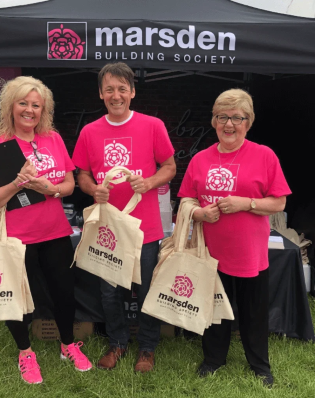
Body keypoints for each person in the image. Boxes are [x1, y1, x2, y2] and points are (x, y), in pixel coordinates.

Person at [0, 76, 92, 384]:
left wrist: (50, 188)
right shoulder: (0, 148)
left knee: (64, 293)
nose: (29, 110)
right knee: (18, 300)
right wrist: (18, 183)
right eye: (23, 103)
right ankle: (25, 352)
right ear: (11, 107)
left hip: (55, 232)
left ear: (44, 110)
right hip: (17, 238)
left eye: (36, 105)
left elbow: (69, 185)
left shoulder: (52, 139)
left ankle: (68, 345)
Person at [178, 88, 291, 387]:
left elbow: (279, 202)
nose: (229, 124)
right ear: (214, 121)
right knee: (215, 310)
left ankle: (260, 365)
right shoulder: (200, 159)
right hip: (211, 252)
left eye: (237, 118)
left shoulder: (264, 155)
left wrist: (247, 203)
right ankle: (213, 359)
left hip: (250, 253)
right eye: (222, 117)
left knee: (254, 314)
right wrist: (201, 214)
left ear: (248, 122)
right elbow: (186, 200)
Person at [72, 62, 176, 373]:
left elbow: (169, 167)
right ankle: (117, 342)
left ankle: (147, 347)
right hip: (108, 228)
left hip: (146, 227)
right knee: (109, 291)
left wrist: (149, 183)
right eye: (109, 89)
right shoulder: (90, 132)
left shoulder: (152, 125)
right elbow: (82, 175)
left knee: (145, 289)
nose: (116, 95)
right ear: (100, 94)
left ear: (132, 91)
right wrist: (94, 190)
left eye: (121, 89)